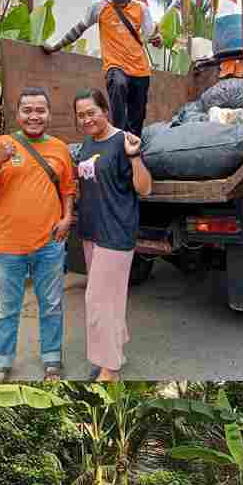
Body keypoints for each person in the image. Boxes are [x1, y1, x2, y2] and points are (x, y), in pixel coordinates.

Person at [0, 88, 76, 381]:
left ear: (48, 114)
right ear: (17, 114)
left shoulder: (59, 148)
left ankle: (52, 360)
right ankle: (3, 362)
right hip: (7, 246)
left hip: (49, 243)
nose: (34, 116)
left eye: (40, 110)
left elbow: (68, 188)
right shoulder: (0, 144)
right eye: (27, 110)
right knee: (7, 308)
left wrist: (67, 217)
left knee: (52, 304)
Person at [73, 88, 153, 381]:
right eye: (80, 115)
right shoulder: (87, 144)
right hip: (91, 232)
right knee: (109, 299)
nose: (86, 119)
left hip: (116, 233)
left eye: (91, 112)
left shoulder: (123, 141)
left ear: (105, 111)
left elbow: (145, 188)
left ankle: (110, 369)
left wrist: (134, 157)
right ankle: (114, 348)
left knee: (98, 300)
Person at [43, 0, 160, 137]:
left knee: (137, 118)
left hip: (140, 70)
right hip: (115, 66)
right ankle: (118, 137)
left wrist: (157, 40)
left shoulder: (141, 8)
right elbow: (78, 29)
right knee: (118, 83)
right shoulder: (99, 7)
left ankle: (132, 147)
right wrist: (56, 47)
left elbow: (152, 36)